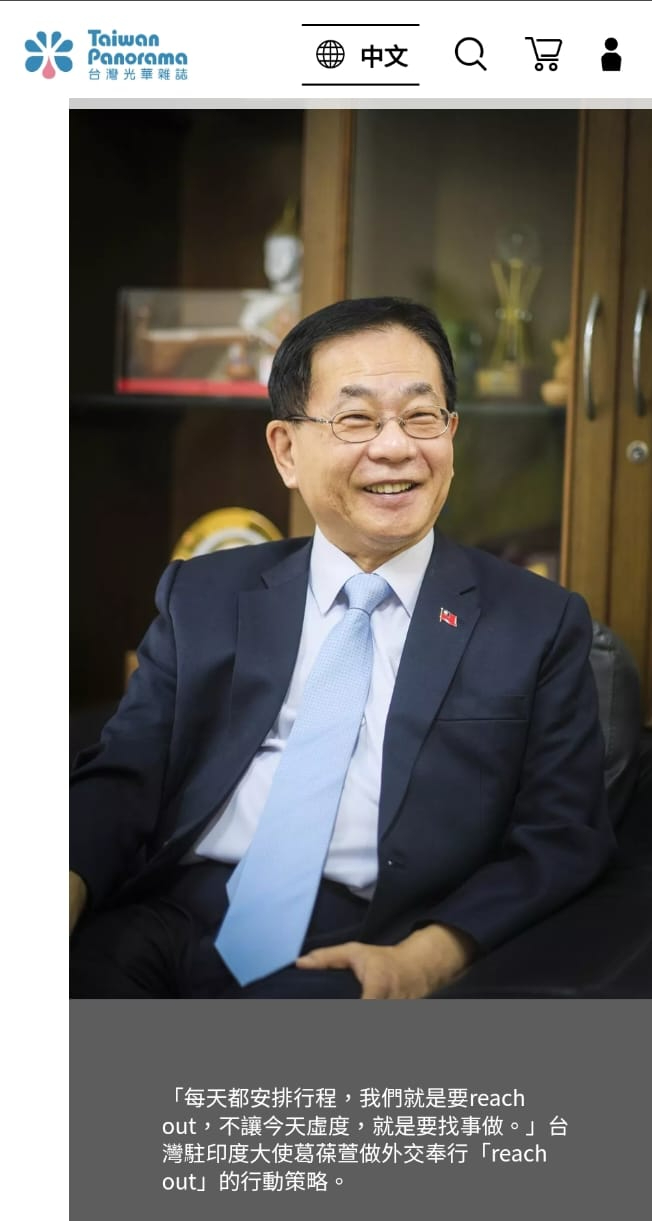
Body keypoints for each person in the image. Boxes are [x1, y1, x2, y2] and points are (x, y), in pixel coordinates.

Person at [70, 296, 615, 999]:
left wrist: (428, 957)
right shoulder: (204, 593)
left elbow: (561, 836)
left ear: (451, 435)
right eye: (356, 419)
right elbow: (125, 773)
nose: (394, 447)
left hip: (362, 939)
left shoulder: (536, 622)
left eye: (421, 417)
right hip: (164, 912)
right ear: (286, 451)